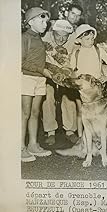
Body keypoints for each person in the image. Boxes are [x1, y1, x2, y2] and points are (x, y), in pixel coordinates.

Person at [21, 7, 52, 162]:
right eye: (42, 20)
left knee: (35, 112)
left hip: (40, 79)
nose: (45, 23)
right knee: (24, 113)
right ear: (31, 22)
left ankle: (33, 144)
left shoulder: (40, 39)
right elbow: (21, 62)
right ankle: (20, 146)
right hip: (26, 78)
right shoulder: (24, 38)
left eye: (46, 21)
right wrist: (42, 70)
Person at [41, 20, 74, 145]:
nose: (61, 39)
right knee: (48, 95)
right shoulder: (45, 39)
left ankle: (70, 131)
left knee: (68, 96)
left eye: (64, 36)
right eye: (58, 35)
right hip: (47, 74)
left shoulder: (72, 43)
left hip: (64, 75)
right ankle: (50, 131)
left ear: (68, 36)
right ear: (53, 33)